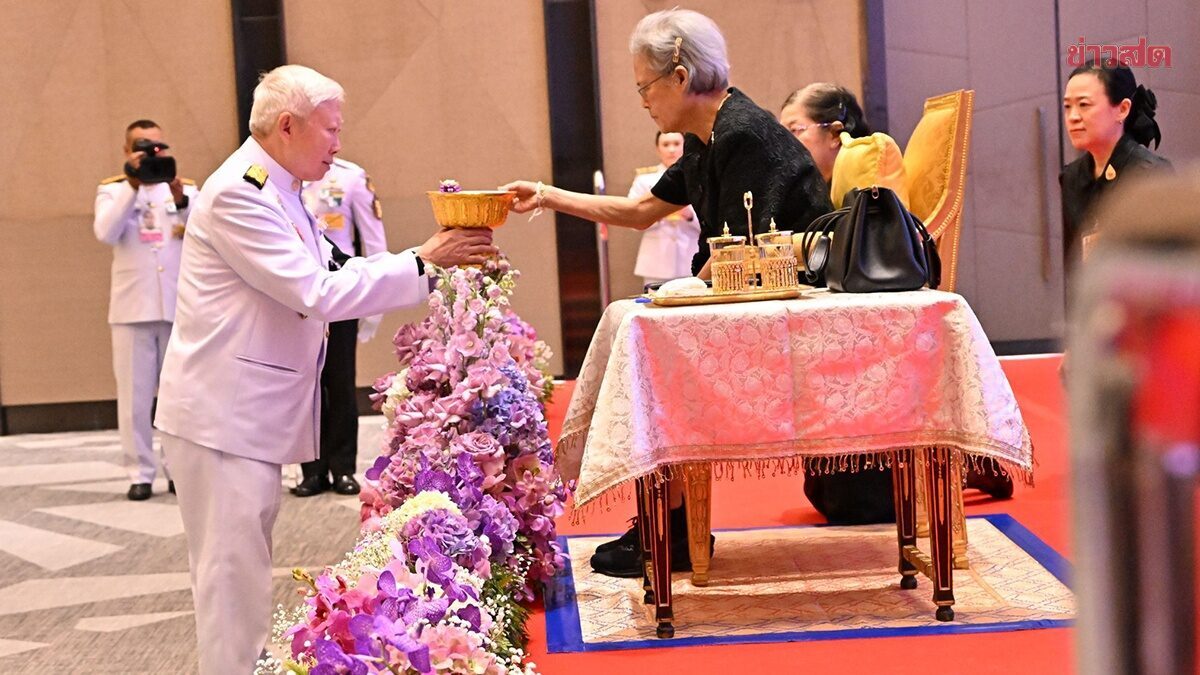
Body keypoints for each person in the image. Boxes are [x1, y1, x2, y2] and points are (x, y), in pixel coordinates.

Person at [153, 65, 496, 674]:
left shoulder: (278, 186)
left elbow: (336, 263)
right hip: (221, 416)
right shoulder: (241, 191)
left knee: (243, 577)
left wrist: (432, 254)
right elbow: (316, 291)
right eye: (330, 129)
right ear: (288, 126)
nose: (339, 144)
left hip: (241, 414)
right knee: (230, 586)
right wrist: (423, 260)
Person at [503, 8, 832, 578]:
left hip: (803, 310)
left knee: (649, 340)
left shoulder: (743, 134)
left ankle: (671, 528)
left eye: (644, 87)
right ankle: (668, 523)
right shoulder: (707, 136)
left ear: (680, 78)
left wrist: (673, 296)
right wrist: (548, 195)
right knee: (639, 323)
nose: (642, 101)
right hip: (759, 298)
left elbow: (739, 257)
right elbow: (638, 212)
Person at [93, 120, 199, 501]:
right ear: (127, 152)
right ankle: (139, 470)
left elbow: (207, 232)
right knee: (135, 397)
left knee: (176, 395)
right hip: (132, 309)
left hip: (176, 307)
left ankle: (177, 468)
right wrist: (133, 185)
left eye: (159, 146)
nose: (153, 154)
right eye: (144, 147)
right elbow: (105, 232)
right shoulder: (113, 191)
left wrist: (179, 198)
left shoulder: (184, 189)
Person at [291, 157, 390, 498]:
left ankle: (343, 467)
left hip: (340, 288)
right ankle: (311, 469)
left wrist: (374, 304)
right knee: (306, 383)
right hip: (298, 291)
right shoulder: (284, 177)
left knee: (340, 380)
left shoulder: (350, 178)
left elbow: (374, 242)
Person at [1061, 57, 1171, 266]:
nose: (1073, 116)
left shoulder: (1150, 175)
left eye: (1084, 104)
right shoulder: (1070, 177)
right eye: (1067, 106)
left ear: (1122, 109)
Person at [630, 131, 700, 287]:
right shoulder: (645, 180)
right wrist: (656, 213)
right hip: (656, 261)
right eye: (666, 145)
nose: (671, 150)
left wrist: (689, 216)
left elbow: (713, 220)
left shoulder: (698, 176)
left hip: (690, 255)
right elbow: (631, 219)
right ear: (657, 149)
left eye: (676, 144)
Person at [779, 82, 871, 183]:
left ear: (835, 134)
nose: (782, 144)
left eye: (794, 130)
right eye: (782, 133)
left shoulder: (870, 192)